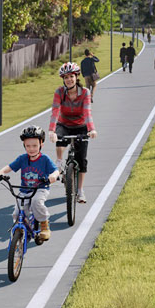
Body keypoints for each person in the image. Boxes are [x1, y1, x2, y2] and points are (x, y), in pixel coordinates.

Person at [0, 126, 62, 241]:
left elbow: (55, 171)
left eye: (35, 145)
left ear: (41, 145)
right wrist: (1, 172)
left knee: (36, 202)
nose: (31, 149)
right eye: (28, 146)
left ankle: (44, 225)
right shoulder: (23, 158)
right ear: (24, 146)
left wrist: (53, 177)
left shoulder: (44, 159)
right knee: (17, 213)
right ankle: (23, 229)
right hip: (24, 189)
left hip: (40, 188)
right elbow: (10, 167)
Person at [49, 62, 98, 204]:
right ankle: (59, 163)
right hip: (64, 124)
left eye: (71, 76)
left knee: (81, 160)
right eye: (65, 77)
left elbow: (87, 113)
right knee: (59, 139)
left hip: (81, 125)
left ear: (76, 77)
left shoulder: (85, 93)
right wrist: (51, 131)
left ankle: (80, 191)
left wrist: (91, 129)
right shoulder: (59, 92)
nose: (68, 80)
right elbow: (55, 112)